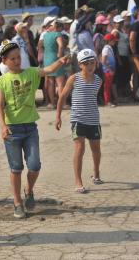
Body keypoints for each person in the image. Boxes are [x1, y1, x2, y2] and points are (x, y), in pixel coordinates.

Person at [0, 40, 69, 218]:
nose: (17, 61)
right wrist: (3, 126)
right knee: (16, 168)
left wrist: (60, 61)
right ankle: (17, 202)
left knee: (34, 165)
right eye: (12, 59)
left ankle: (28, 190)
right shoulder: (1, 81)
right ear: (4, 61)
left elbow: (49, 70)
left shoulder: (31, 73)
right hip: (12, 130)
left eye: (18, 57)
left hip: (30, 128)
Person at [55, 49, 103, 193]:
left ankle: (96, 173)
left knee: (96, 150)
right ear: (80, 65)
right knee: (79, 149)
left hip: (93, 120)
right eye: (86, 63)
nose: (90, 66)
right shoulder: (73, 79)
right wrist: (58, 116)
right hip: (78, 120)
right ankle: (78, 181)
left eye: (92, 63)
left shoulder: (98, 81)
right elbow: (62, 97)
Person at [43, 20, 65, 108]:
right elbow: (61, 45)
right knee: (60, 83)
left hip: (47, 59)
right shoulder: (58, 34)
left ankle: (52, 103)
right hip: (55, 59)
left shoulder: (45, 35)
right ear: (58, 27)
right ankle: (62, 103)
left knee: (50, 82)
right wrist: (60, 54)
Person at [111, 15, 131, 96]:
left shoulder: (122, 31)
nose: (120, 24)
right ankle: (119, 95)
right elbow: (115, 47)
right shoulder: (115, 32)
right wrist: (118, 59)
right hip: (120, 57)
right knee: (119, 76)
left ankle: (123, 94)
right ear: (115, 23)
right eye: (118, 23)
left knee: (125, 76)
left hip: (125, 56)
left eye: (121, 22)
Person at [101, 33, 118, 106]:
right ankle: (107, 101)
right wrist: (109, 69)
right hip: (107, 71)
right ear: (109, 41)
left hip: (110, 70)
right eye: (113, 40)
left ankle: (109, 100)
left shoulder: (109, 48)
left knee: (109, 85)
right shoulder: (106, 49)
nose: (114, 42)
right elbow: (103, 60)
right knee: (107, 86)